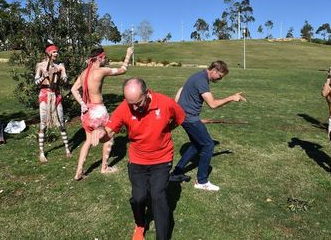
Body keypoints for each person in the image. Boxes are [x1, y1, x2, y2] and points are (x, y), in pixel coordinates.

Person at [92, 78, 185, 240]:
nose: (134, 108)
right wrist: (100, 132)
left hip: (162, 159)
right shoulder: (124, 108)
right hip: (137, 160)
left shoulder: (166, 103)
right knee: (138, 198)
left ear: (147, 93)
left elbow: (179, 118)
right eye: (131, 104)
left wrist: (166, 129)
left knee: (158, 196)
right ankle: (140, 224)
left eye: (138, 103)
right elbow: (108, 130)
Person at [170, 60, 246, 191]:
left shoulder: (199, 76)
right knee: (208, 145)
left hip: (186, 117)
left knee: (197, 145)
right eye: (220, 76)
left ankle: (176, 173)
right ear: (214, 71)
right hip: (189, 118)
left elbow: (183, 90)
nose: (220, 79)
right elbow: (213, 104)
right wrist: (231, 98)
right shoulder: (201, 81)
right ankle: (202, 181)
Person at [71, 47, 133, 180]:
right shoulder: (100, 71)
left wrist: (82, 103)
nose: (106, 59)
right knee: (109, 137)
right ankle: (104, 168)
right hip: (98, 112)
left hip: (86, 112)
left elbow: (74, 89)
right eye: (105, 57)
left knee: (88, 141)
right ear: (99, 58)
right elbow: (123, 70)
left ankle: (79, 171)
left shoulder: (83, 73)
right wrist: (128, 54)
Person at [34, 43, 70, 163]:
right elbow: (36, 83)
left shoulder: (60, 66)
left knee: (61, 123)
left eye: (56, 52)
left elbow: (65, 80)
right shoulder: (40, 65)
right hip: (44, 95)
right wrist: (42, 77)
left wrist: (62, 75)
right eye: (54, 52)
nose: (56, 54)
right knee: (43, 124)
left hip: (56, 95)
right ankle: (42, 152)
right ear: (48, 53)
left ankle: (67, 148)